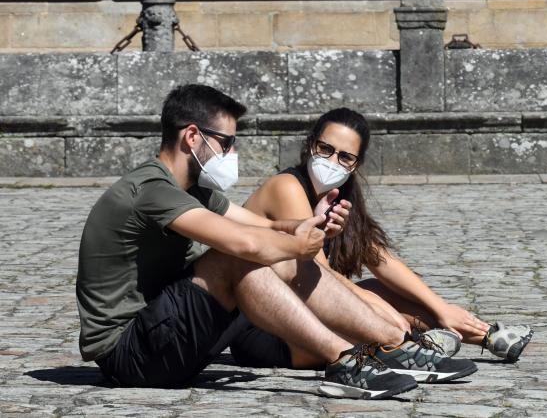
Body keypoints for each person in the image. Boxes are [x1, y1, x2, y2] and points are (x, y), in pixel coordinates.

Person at [76, 84, 474, 399]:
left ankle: (394, 345)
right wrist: (296, 245)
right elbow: (246, 245)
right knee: (238, 258)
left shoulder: (195, 192)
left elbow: (267, 228)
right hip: (129, 355)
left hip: (166, 340)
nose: (230, 153)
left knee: (270, 254)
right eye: (226, 143)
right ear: (193, 136)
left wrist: (311, 225)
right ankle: (345, 359)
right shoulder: (151, 188)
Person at [236, 107, 533, 365]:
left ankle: (485, 336)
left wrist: (440, 307)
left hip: (306, 307)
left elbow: (377, 256)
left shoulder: (339, 196)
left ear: (356, 165)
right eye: (325, 149)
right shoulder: (287, 187)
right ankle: (411, 344)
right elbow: (322, 279)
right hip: (269, 326)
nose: (332, 161)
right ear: (310, 145)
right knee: (367, 313)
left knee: (381, 288)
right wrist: (384, 317)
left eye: (344, 157)